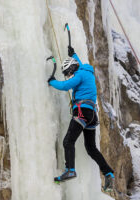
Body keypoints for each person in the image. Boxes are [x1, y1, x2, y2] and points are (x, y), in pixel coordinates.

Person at [47, 46, 115, 191]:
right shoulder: (86, 72)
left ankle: (70, 169)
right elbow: (79, 64)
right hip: (91, 115)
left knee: (68, 141)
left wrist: (52, 81)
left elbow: (65, 86)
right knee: (91, 148)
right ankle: (108, 172)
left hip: (82, 112)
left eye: (69, 72)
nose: (69, 75)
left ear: (73, 68)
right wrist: (74, 54)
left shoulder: (79, 75)